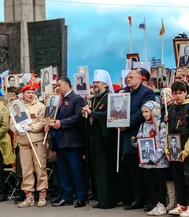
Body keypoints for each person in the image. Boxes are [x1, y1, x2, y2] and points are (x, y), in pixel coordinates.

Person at [45, 77, 86, 208]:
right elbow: (51, 117)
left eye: (59, 85)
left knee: (76, 170)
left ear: (67, 85)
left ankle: (81, 196)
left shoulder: (76, 99)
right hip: (59, 141)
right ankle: (66, 196)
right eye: (56, 86)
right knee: (62, 171)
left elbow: (78, 116)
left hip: (72, 141)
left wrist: (61, 123)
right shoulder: (56, 100)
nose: (57, 88)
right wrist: (49, 124)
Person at [82, 69, 119, 209]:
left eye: (98, 82)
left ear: (106, 84)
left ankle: (108, 201)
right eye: (94, 82)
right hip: (94, 140)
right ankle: (101, 199)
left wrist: (93, 113)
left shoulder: (110, 97)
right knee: (97, 171)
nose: (95, 84)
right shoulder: (93, 100)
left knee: (106, 171)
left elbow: (109, 116)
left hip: (106, 140)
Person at [120, 70, 155, 211]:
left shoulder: (147, 92)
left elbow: (143, 112)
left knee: (144, 170)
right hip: (126, 135)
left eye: (131, 77)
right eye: (127, 77)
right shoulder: (124, 92)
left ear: (140, 79)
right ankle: (136, 198)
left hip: (141, 134)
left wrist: (126, 123)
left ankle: (148, 199)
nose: (128, 79)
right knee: (132, 170)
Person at [166, 81, 189, 217]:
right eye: (175, 93)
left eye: (180, 93)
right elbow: (168, 131)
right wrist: (167, 149)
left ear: (186, 93)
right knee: (178, 178)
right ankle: (181, 205)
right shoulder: (171, 108)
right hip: (175, 148)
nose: (177, 96)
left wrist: (186, 150)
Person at [10, 85, 48, 208]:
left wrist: (30, 128)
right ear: (23, 94)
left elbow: (43, 122)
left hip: (37, 141)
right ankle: (29, 197)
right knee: (26, 170)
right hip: (23, 142)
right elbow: (11, 123)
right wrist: (17, 129)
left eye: (32, 92)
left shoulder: (40, 106)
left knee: (40, 168)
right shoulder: (17, 106)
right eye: (28, 93)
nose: (30, 95)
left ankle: (42, 195)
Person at [136, 101, 169, 216]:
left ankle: (162, 204)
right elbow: (140, 139)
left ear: (153, 111)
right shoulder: (143, 125)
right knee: (151, 184)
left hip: (159, 162)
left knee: (160, 183)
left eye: (146, 111)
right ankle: (155, 204)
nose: (144, 114)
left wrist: (155, 157)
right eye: (143, 112)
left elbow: (163, 143)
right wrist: (136, 143)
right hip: (146, 161)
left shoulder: (161, 125)